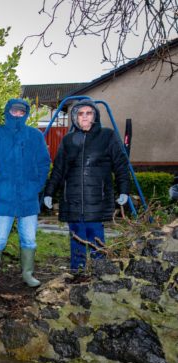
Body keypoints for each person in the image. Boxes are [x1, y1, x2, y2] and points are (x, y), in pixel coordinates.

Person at [43, 99, 130, 272]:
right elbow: (58, 169)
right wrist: (49, 192)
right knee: (76, 236)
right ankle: (78, 273)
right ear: (75, 117)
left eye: (88, 113)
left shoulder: (107, 136)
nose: (84, 117)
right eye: (80, 113)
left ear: (95, 116)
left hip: (97, 198)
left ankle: (99, 272)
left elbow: (121, 165)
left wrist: (124, 190)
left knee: (96, 236)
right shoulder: (68, 140)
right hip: (72, 199)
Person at [0, 98, 51, 290]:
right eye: (14, 111)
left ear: (25, 114)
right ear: (7, 111)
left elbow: (44, 163)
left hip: (28, 197)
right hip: (3, 196)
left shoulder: (35, 135)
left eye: (21, 111)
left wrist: (36, 186)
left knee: (29, 238)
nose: (17, 114)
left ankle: (27, 274)